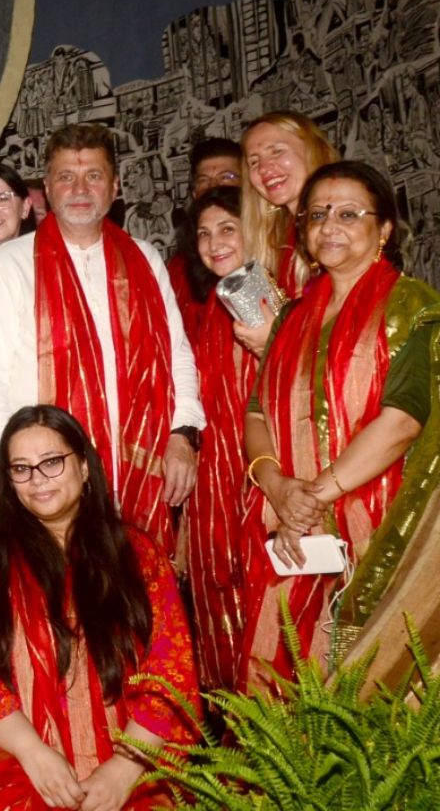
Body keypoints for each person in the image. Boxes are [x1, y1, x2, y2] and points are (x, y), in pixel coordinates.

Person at [240, 161, 440, 679]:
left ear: (385, 230)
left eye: (349, 214)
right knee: (287, 689)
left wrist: (313, 496)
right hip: (296, 530)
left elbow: (403, 420)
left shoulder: (409, 305)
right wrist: (279, 487)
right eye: (318, 215)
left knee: (376, 689)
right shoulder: (290, 316)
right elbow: (257, 412)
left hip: (385, 524)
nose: (330, 227)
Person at [0, 124, 203, 554]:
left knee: (135, 608)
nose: (79, 188)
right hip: (48, 482)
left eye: (93, 175)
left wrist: (182, 435)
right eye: (65, 176)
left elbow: (178, 357)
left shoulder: (145, 258)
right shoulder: (15, 262)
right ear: (46, 190)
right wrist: (7, 462)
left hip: (139, 469)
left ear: (115, 187)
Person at [0, 406, 198, 809]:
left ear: (84, 467)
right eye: (21, 468)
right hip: (24, 763)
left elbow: (172, 673)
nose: (38, 480)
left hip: (136, 759)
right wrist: (36, 755)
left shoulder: (139, 554)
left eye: (51, 462)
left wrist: (124, 768)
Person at [182, 186, 255, 692]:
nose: (214, 242)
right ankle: (232, 762)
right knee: (216, 622)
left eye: (227, 228)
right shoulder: (212, 304)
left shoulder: (265, 293)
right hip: (213, 489)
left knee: (264, 622)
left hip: (258, 478)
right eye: (204, 234)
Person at [236, 112, 339, 353]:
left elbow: (352, 331)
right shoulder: (278, 240)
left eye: (277, 151)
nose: (264, 168)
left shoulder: (342, 223)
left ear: (312, 149)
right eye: (253, 161)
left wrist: (277, 340)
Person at [167, 138, 243, 342]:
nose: (214, 187)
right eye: (204, 181)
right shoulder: (180, 268)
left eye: (226, 176)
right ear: (193, 193)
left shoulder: (275, 254)